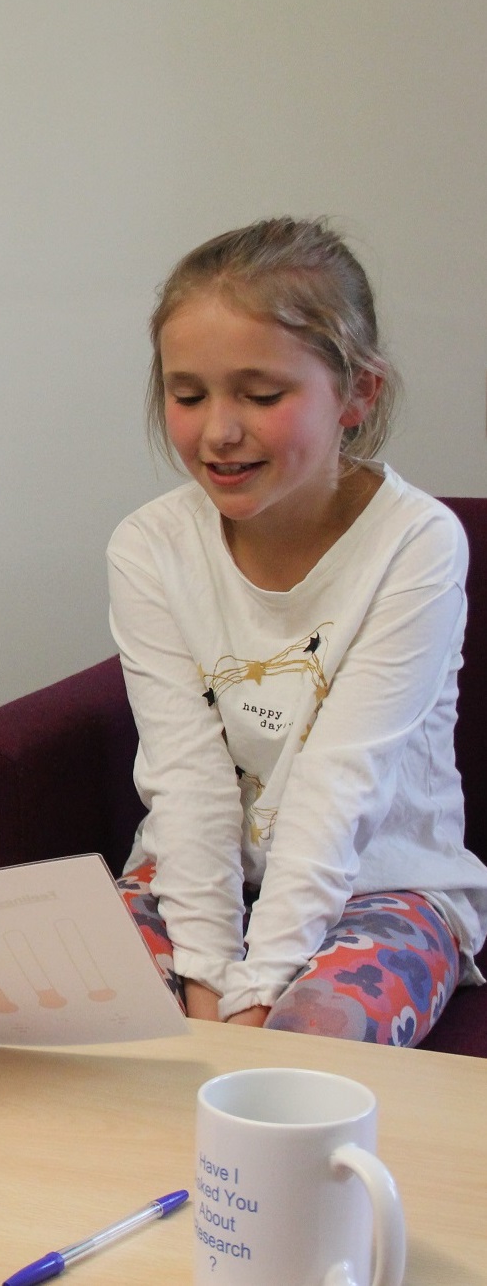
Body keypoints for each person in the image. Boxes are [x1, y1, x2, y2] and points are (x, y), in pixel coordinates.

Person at [107, 216, 487, 1046]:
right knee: (92, 1013)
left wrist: (261, 990)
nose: (219, 430)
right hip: (194, 878)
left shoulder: (415, 543)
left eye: (262, 395)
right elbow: (188, 776)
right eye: (188, 393)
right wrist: (208, 973)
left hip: (384, 887)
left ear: (358, 394)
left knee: (308, 1043)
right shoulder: (150, 546)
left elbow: (338, 785)